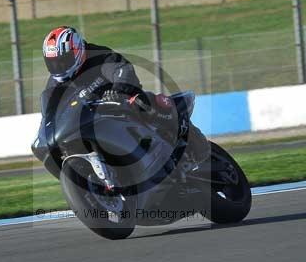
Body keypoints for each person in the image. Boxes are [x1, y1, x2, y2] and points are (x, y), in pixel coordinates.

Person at [36, 25, 209, 165]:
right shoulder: (53, 87)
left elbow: (122, 69)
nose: (58, 66)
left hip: (120, 102)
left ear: (78, 50)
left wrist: (118, 90)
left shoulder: (98, 55)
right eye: (52, 62)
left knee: (142, 102)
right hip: (91, 121)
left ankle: (188, 133)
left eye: (62, 60)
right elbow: (49, 116)